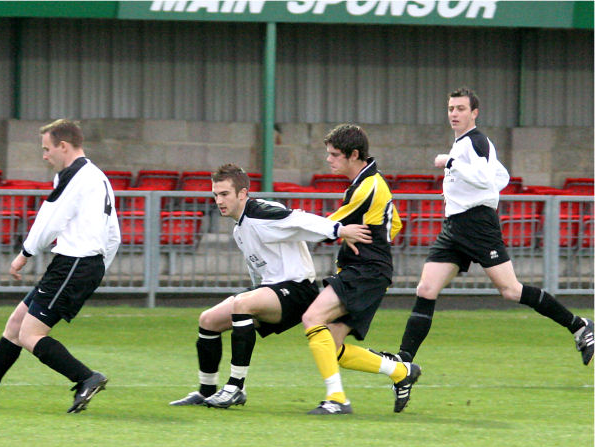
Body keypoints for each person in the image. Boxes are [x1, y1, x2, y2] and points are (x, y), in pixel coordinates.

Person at [383, 87, 593, 412]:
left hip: (478, 227)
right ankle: (404, 366)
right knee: (426, 288)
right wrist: (457, 193)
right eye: (451, 108)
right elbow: (500, 176)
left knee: (510, 291)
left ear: (474, 113)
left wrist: (452, 166)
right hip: (455, 226)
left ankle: (579, 325)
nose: (454, 113)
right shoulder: (467, 143)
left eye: (460, 108)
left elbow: (484, 179)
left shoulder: (474, 141)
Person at [170, 163, 373, 408]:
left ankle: (235, 387)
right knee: (208, 320)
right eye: (215, 194)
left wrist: (338, 229)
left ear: (242, 194)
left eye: (224, 194)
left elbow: (299, 218)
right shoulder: (240, 229)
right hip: (273, 292)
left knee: (242, 304)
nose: (218, 200)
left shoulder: (261, 212)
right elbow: (258, 271)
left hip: (298, 291)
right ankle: (206, 390)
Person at [0, 119, 120, 413]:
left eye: (47, 149)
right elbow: (114, 233)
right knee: (16, 325)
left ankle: (86, 377)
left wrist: (24, 254)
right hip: (78, 262)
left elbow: (50, 220)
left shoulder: (76, 175)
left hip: (75, 263)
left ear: (63, 146)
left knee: (30, 335)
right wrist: (99, 264)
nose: (44, 156)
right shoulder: (97, 176)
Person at [301, 123, 421, 415]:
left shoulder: (368, 187)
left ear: (354, 155)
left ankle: (337, 399)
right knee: (333, 344)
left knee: (312, 317)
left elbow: (328, 225)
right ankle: (400, 372)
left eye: (334, 154)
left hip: (366, 272)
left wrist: (291, 229)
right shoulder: (370, 182)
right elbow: (395, 224)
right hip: (368, 271)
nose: (328, 159)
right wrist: (369, 238)